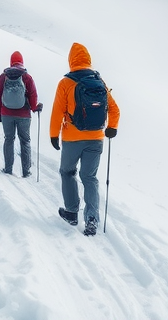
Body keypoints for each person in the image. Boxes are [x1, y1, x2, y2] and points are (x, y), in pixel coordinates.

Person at [50, 42, 120, 236]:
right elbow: (114, 109)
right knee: (89, 177)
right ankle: (91, 219)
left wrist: (54, 135)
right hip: (96, 138)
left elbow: (57, 112)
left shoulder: (66, 83)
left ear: (71, 60)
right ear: (88, 59)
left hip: (72, 138)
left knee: (67, 172)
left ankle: (72, 212)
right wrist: (111, 128)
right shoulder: (99, 82)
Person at [0, 51, 43, 178]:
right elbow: (33, 94)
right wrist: (34, 107)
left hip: (6, 114)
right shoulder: (27, 77)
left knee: (9, 139)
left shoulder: (3, 77)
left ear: (11, 62)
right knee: (25, 141)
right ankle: (26, 171)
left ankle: (8, 169)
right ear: (22, 61)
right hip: (24, 115)